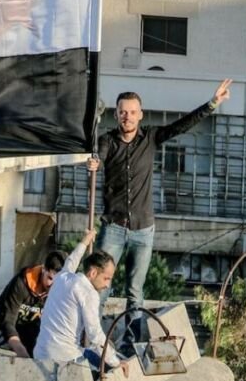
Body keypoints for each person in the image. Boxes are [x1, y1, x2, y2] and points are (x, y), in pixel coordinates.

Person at [87, 79, 232, 353]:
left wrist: (212, 104)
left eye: (132, 111)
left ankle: (132, 343)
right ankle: (93, 338)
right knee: (100, 286)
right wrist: (94, 162)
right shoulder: (108, 141)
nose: (127, 116)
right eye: (122, 111)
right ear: (116, 114)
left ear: (140, 114)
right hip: (113, 227)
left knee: (135, 290)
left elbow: (183, 125)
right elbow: (99, 156)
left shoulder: (151, 137)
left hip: (143, 230)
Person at [0, 229, 96, 358]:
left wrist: (86, 240)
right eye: (50, 278)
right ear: (44, 269)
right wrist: (19, 349)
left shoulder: (61, 288)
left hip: (32, 337)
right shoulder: (22, 282)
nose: (52, 285)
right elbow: (7, 320)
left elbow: (73, 261)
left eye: (57, 281)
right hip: (5, 330)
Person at [34, 250, 129, 376]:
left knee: (89, 352)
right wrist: (115, 363)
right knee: (107, 368)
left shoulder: (63, 277)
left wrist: (85, 241)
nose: (107, 285)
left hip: (40, 353)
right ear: (93, 272)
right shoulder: (89, 293)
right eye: (106, 278)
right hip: (65, 358)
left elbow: (71, 260)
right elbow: (95, 335)